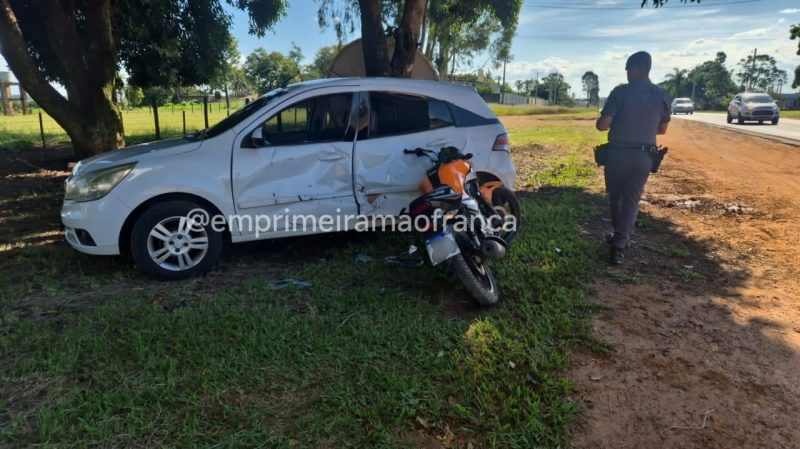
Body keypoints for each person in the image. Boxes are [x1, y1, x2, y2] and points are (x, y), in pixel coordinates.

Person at [596, 51, 671, 265]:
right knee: (631, 200)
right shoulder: (661, 95)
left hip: (617, 155)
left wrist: (617, 124)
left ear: (638, 69)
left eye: (629, 69)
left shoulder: (620, 92)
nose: (627, 74)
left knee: (616, 197)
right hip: (644, 157)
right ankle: (619, 244)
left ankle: (618, 238)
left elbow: (602, 125)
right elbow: (662, 129)